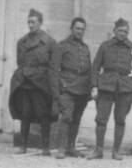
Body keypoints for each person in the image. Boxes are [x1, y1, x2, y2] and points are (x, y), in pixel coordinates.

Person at [91, 18, 132, 161]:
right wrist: (94, 86)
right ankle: (98, 150)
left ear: (128, 33)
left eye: (125, 31)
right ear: (114, 31)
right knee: (101, 119)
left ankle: (116, 151)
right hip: (106, 86)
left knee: (120, 120)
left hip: (125, 88)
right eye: (120, 31)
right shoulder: (105, 46)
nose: (122, 34)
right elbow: (95, 67)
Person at [9, 9, 56, 154]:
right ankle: (23, 146)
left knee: (44, 115)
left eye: (33, 22)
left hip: (41, 84)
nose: (30, 25)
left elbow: (52, 66)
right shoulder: (22, 42)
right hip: (25, 83)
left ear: (40, 23)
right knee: (25, 114)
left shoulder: (49, 42)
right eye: (28, 22)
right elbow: (20, 62)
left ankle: (45, 147)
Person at [49, 16, 93, 158]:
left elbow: (89, 69)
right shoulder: (61, 46)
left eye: (82, 29)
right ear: (71, 29)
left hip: (82, 89)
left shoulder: (85, 48)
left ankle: (71, 147)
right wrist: (57, 92)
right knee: (66, 117)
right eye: (77, 28)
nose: (80, 31)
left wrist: (91, 88)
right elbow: (54, 70)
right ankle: (61, 148)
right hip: (67, 87)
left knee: (76, 118)